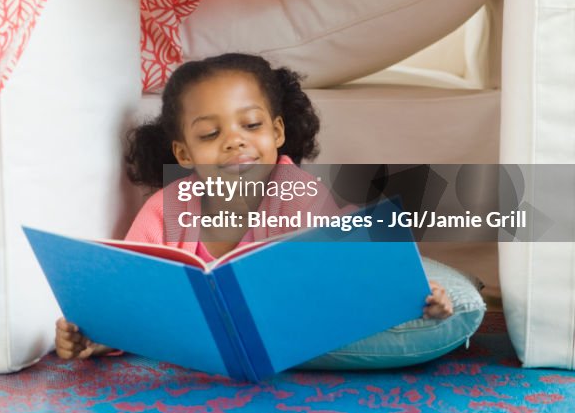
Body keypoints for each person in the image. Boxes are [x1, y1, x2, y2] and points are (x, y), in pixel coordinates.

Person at [55, 52, 454, 361]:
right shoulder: (167, 208)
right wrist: (98, 336)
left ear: (277, 132)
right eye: (211, 134)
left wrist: (414, 291)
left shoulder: (298, 195)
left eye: (251, 125)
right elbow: (132, 294)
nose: (234, 141)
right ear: (184, 152)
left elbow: (354, 265)